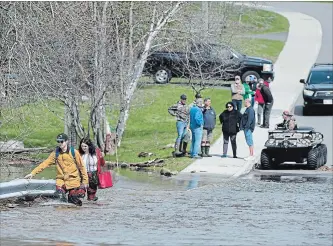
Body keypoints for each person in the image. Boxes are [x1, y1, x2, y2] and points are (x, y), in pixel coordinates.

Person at [24, 133, 89, 206]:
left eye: (62, 141)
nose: (60, 143)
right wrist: (33, 173)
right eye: (58, 141)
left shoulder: (74, 152)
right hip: (61, 181)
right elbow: (45, 164)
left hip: (73, 180)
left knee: (74, 202)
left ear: (66, 141)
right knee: (60, 201)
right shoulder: (55, 153)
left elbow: (82, 167)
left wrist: (85, 182)